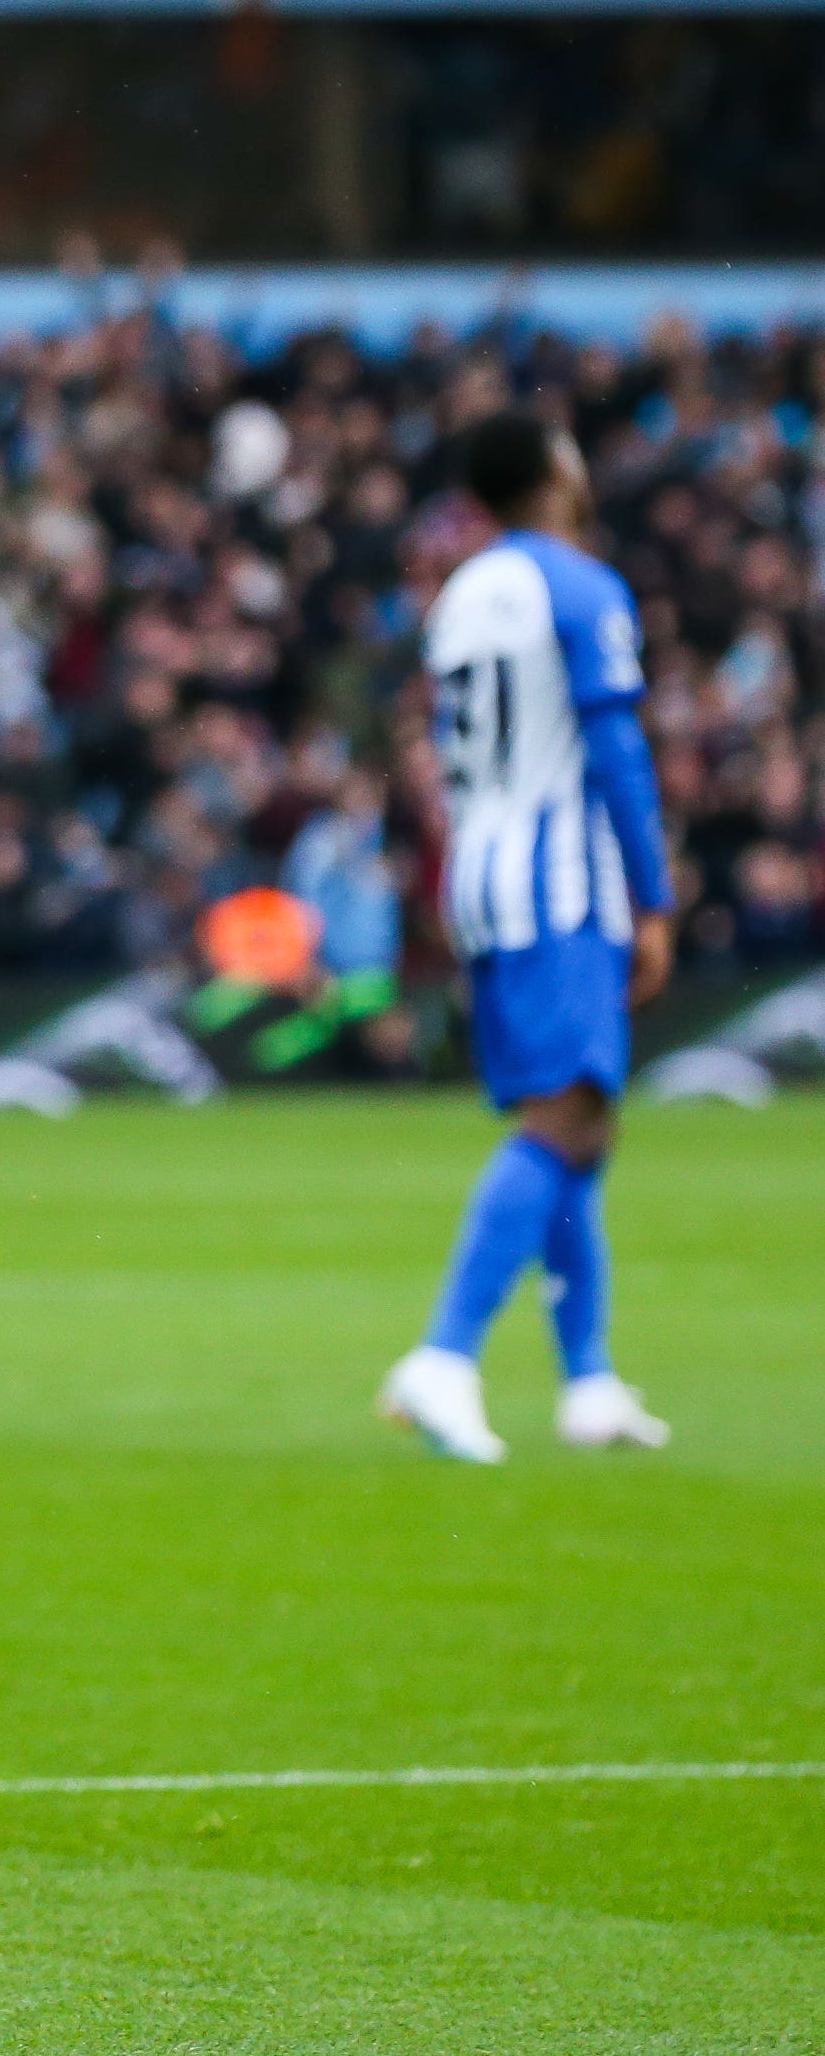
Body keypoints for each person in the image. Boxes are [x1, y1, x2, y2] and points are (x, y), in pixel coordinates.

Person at [377, 412, 676, 1462]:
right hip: (560, 877)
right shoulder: (580, 584)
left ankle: (586, 1378)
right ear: (556, 470)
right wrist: (653, 898)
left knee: (579, 1122)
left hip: (481, 867)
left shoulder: (461, 591)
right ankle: (444, 1356)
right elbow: (615, 746)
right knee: (563, 1116)